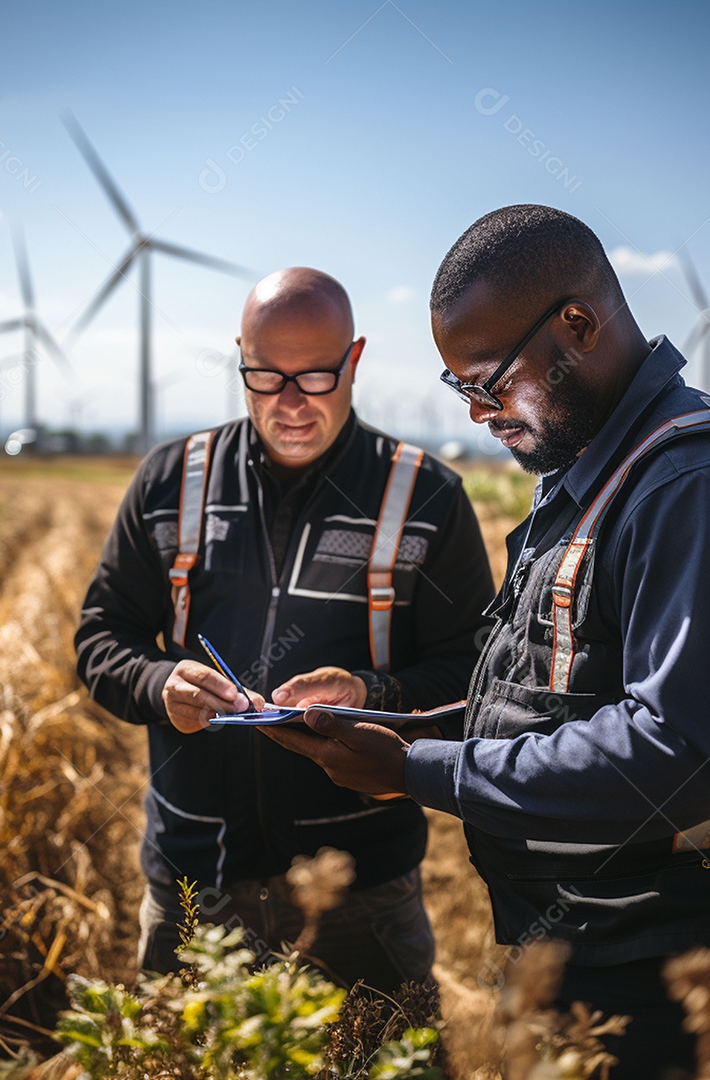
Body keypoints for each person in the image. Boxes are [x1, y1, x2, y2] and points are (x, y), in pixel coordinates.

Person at [262, 208, 710, 1074]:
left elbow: (679, 754)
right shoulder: (591, 470)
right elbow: (550, 700)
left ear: (578, 325)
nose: (483, 413)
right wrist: (392, 722)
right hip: (579, 949)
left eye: (491, 379)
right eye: (463, 390)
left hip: (666, 973)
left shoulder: (700, 486)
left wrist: (416, 772)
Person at [75, 267, 493, 991]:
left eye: (317, 376)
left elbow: (476, 679)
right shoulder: (169, 481)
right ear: (240, 355)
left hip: (361, 894)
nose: (291, 404)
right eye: (266, 377)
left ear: (355, 360)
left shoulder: (426, 496)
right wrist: (158, 683)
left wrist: (372, 691)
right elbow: (100, 638)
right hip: (191, 883)